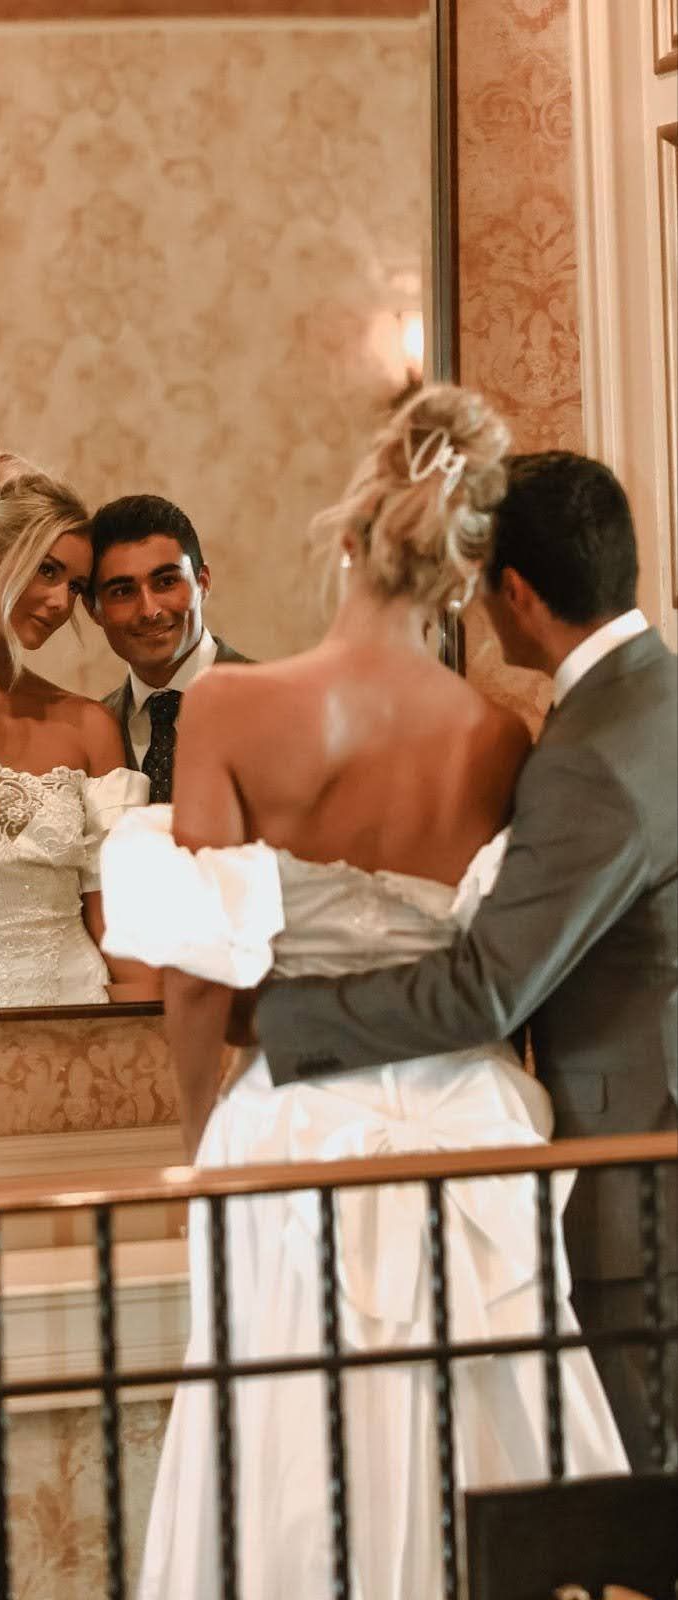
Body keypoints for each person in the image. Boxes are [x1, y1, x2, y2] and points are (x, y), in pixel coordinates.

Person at [101, 388, 627, 1599]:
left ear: (345, 539)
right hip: (467, 1126)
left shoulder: (230, 705)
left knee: (291, 1439)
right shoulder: (499, 734)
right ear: (460, 582)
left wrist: (199, 1144)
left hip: (295, 1125)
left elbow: (198, 975)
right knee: (479, 1424)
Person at [254, 450, 678, 1471]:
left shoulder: (590, 752)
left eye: (483, 585)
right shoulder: (652, 696)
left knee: (645, 1494)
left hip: (635, 1164)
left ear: (517, 592)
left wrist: (275, 1022)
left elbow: (490, 984)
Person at [0, 450, 149, 1009]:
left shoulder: (89, 725)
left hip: (78, 1015)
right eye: (47, 570)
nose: (62, 602)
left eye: (77, 585)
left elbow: (122, 928)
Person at [82, 494, 250, 800]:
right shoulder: (93, 732)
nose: (149, 610)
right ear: (93, 609)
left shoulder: (273, 698)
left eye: (165, 582)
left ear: (203, 583)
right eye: (123, 591)